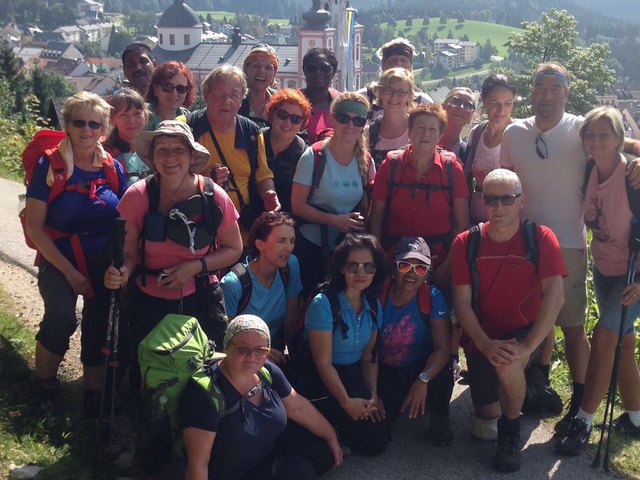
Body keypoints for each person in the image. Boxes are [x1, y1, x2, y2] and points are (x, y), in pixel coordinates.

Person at [500, 62, 640, 435]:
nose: (546, 95)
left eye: (554, 88)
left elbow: (619, 142)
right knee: (534, 320)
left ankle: (581, 404)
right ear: (531, 93)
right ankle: (536, 386)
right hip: (525, 243)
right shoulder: (514, 133)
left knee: (574, 328)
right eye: (539, 88)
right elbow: (503, 185)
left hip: (570, 246)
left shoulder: (581, 129)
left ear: (566, 92)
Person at [451, 168, 566, 472]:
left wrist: (528, 347)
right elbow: (461, 303)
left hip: (523, 334)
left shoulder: (540, 238)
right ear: (482, 202)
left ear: (521, 201)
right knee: (483, 427)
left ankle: (511, 434)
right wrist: (484, 343)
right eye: (491, 200)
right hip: (483, 336)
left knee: (508, 362)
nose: (499, 208)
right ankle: (529, 392)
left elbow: (555, 295)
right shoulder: (466, 242)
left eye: (507, 199)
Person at [104, 120, 242, 357]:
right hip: (148, 301)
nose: (170, 158)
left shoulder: (213, 197)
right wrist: (122, 273)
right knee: (151, 370)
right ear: (153, 157)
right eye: (162, 150)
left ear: (191, 156)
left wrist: (194, 267)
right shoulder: (137, 196)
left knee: (204, 368)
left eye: (178, 150)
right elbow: (129, 254)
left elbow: (234, 248)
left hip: (200, 297)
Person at [26, 92, 127, 412]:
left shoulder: (112, 167)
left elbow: (126, 218)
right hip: (58, 257)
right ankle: (45, 386)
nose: (86, 129)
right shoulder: (50, 165)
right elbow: (35, 227)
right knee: (61, 317)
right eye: (79, 122)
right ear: (67, 125)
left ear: (104, 129)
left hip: (101, 257)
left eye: (93, 123)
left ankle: (92, 397)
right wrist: (69, 272)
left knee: (99, 326)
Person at [555, 107, 640, 455]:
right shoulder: (590, 168)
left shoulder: (633, 176)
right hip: (605, 271)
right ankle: (636, 418)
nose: (595, 141)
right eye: (590, 135)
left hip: (633, 277)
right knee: (622, 345)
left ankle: (584, 420)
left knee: (604, 338)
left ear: (619, 139)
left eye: (604, 135)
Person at [181, 315, 342, 480]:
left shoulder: (267, 371)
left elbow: (298, 406)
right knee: (297, 471)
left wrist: (330, 436)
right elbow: (198, 464)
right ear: (227, 346)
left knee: (322, 454)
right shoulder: (204, 394)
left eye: (261, 350)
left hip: (264, 456)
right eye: (244, 349)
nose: (252, 357)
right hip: (233, 474)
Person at [305, 233, 391, 455]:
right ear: (342, 268)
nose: (361, 273)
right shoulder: (323, 304)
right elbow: (323, 363)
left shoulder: (373, 304)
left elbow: (369, 356)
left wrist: (373, 395)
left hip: (352, 374)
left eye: (368, 267)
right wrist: (346, 401)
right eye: (353, 266)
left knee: (377, 439)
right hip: (320, 377)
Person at [369, 103, 469, 290]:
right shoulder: (391, 165)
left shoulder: (452, 169)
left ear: (440, 135)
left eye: (432, 129)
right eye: (420, 128)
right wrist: (379, 256)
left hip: (437, 261)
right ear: (409, 131)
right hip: (395, 258)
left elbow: (462, 224)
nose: (425, 134)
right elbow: (376, 216)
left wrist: (447, 267)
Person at [178, 64, 280, 236]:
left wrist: (270, 194)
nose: (227, 102)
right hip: (195, 228)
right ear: (207, 94)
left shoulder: (252, 133)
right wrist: (203, 181)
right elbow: (166, 177)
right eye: (220, 94)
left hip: (242, 231)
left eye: (234, 95)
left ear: (241, 101)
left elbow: (263, 175)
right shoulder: (185, 126)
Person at [291, 92, 375, 292]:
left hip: (347, 250)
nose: (350, 126)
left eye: (358, 120)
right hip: (312, 247)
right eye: (344, 118)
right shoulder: (314, 156)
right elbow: (297, 206)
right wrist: (335, 220)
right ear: (332, 118)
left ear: (364, 124)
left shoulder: (366, 161)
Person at [377, 236, 454, 446]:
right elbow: (367, 349)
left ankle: (439, 417)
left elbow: (443, 349)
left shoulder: (433, 296)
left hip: (420, 367)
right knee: (376, 433)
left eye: (420, 268)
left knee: (444, 368)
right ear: (394, 268)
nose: (412, 273)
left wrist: (423, 380)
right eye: (405, 265)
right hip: (386, 369)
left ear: (427, 274)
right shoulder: (378, 293)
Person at [221, 212, 303, 365]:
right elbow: (227, 337)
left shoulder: (291, 265)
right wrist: (261, 351)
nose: (289, 248)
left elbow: (291, 316)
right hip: (243, 359)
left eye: (292, 241)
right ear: (260, 245)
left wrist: (294, 360)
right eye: (281, 241)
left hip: (275, 353)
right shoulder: (233, 283)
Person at [466, 74, 517, 223]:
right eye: (495, 102)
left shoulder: (519, 135)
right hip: (476, 218)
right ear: (483, 100)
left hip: (507, 220)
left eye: (508, 103)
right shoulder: (476, 133)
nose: (501, 109)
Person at [357, 37, 433, 121]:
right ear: (383, 64)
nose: (399, 64)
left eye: (403, 60)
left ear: (411, 67)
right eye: (394, 60)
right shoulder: (363, 97)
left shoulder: (423, 103)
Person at [262, 88, 311, 214]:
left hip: (286, 223)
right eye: (283, 115)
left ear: (302, 123)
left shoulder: (304, 154)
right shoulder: (254, 140)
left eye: (295, 119)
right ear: (272, 114)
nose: (287, 122)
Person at [103, 88, 152, 186]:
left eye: (137, 113)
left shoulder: (155, 148)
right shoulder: (104, 155)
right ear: (112, 119)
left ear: (145, 115)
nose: (131, 121)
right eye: (124, 115)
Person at [365, 67, 413, 167]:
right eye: (389, 90)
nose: (394, 97)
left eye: (401, 92)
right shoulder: (367, 133)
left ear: (409, 96)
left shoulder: (416, 130)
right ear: (380, 93)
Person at [300, 48, 340, 144]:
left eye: (325, 69)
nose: (318, 72)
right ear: (304, 71)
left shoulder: (342, 103)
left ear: (333, 72)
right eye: (312, 68)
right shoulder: (291, 103)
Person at [146, 61, 195, 131]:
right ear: (155, 89)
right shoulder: (142, 117)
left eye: (181, 88)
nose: (174, 93)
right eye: (168, 87)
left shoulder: (190, 120)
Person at [239, 44, 279, 127]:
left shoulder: (280, 103)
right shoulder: (233, 99)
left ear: (274, 73)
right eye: (256, 66)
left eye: (268, 68)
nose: (261, 71)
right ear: (246, 68)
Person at [439, 87, 476, 166]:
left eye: (468, 105)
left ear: (470, 117)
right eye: (456, 101)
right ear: (442, 106)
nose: (461, 107)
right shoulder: (424, 139)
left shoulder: (468, 155)